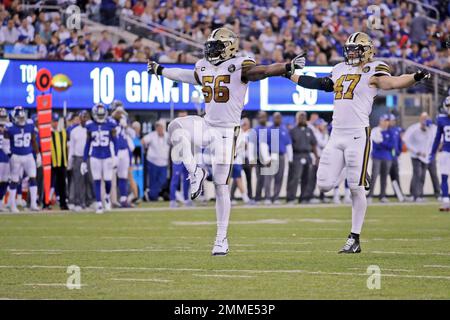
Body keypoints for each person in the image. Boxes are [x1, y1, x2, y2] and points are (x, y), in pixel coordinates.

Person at [147, 27, 305, 255]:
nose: (211, 51)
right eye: (210, 46)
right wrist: (161, 70)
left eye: (216, 46)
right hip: (207, 124)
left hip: (227, 132)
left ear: (229, 47)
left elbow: (262, 71)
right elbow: (185, 76)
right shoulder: (203, 66)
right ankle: (195, 172)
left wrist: (286, 67)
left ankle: (221, 239)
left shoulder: (240, 65)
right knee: (175, 127)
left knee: (221, 186)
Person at [289, 32, 430, 253]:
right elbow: (319, 83)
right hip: (337, 133)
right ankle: (363, 173)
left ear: (367, 51)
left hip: (357, 134)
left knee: (355, 187)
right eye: (349, 49)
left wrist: (414, 77)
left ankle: (354, 237)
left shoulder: (374, 69)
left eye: (356, 49)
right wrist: (291, 75)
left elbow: (391, 82)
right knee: (324, 184)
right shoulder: (339, 69)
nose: (351, 52)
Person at [81, 104, 117, 214]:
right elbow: (87, 144)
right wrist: (84, 160)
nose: (101, 117)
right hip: (95, 156)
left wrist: (115, 156)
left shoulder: (111, 124)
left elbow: (115, 142)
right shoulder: (90, 126)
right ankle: (99, 204)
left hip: (107, 156)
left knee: (108, 181)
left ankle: (106, 196)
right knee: (96, 180)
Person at [5, 106, 41, 212]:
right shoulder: (9, 127)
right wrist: (10, 154)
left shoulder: (29, 124)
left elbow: (33, 140)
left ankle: (33, 204)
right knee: (15, 180)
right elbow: (6, 145)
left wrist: (38, 154)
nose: (21, 120)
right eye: (19, 118)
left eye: (22, 118)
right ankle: (12, 205)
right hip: (16, 155)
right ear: (14, 117)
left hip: (28, 155)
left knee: (33, 177)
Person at [403, 112, 437, 202]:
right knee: (417, 174)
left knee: (422, 176)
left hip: (426, 156)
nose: (424, 120)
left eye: (426, 118)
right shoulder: (414, 128)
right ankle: (413, 195)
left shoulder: (431, 129)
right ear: (420, 119)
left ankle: (420, 195)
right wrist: (416, 151)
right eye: (423, 118)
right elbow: (405, 140)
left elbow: (432, 141)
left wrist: (429, 152)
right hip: (416, 155)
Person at [286, 111, 318, 204]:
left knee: (307, 177)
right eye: (301, 117)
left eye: (304, 117)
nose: (302, 118)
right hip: (297, 155)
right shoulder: (293, 130)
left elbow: (314, 144)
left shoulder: (309, 130)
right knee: (295, 178)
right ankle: (291, 198)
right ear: (297, 118)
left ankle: (304, 197)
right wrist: (290, 158)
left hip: (307, 155)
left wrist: (316, 157)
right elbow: (289, 145)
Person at [68, 110, 94, 211]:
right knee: (78, 181)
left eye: (86, 117)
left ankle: (89, 202)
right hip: (78, 157)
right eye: (83, 117)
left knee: (90, 180)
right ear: (80, 118)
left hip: (89, 157)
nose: (84, 119)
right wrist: (70, 161)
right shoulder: (74, 131)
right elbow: (72, 148)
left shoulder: (92, 129)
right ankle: (78, 202)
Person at [110, 100, 133, 207]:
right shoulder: (109, 121)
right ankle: (110, 199)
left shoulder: (124, 120)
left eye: (121, 111)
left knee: (123, 175)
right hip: (114, 151)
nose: (120, 113)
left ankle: (123, 199)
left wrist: (126, 126)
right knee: (110, 176)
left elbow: (132, 135)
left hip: (124, 150)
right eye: (117, 111)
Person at [368, 114, 395, 203]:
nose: (386, 123)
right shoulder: (375, 131)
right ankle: (370, 195)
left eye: (387, 121)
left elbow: (391, 145)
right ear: (380, 121)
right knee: (374, 176)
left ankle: (382, 195)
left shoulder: (390, 131)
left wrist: (381, 143)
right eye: (385, 121)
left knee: (384, 177)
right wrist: (383, 144)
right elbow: (374, 144)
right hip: (377, 157)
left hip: (387, 157)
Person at [267, 112, 293, 204]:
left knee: (279, 178)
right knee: (269, 178)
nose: (277, 119)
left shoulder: (284, 130)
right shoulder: (269, 129)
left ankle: (276, 197)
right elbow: (264, 144)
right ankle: (268, 198)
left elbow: (288, 144)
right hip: (271, 155)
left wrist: (290, 158)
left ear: (281, 119)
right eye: (276, 118)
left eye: (279, 118)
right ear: (273, 119)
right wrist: (267, 157)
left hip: (281, 156)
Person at [141, 120, 170, 201]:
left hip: (163, 163)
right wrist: (145, 149)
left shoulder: (168, 136)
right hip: (152, 162)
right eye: (157, 126)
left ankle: (150, 194)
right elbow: (142, 141)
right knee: (152, 181)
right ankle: (153, 196)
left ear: (163, 127)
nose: (158, 128)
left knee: (162, 180)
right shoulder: (152, 135)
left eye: (160, 126)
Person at [430, 96, 450, 211]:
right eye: (449, 106)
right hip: (446, 152)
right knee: (444, 177)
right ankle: (446, 201)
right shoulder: (441, 119)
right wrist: (432, 153)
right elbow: (437, 138)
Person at [50, 113, 69, 210]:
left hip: (62, 162)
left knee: (62, 184)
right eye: (54, 121)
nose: (55, 123)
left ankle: (63, 203)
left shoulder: (63, 132)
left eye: (56, 121)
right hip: (51, 162)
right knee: (49, 183)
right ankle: (46, 202)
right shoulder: (48, 133)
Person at [388, 114, 405, 202]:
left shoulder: (397, 130)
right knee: (382, 177)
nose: (392, 122)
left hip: (394, 157)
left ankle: (399, 194)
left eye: (393, 120)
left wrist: (398, 152)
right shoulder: (386, 130)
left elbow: (400, 142)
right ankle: (381, 195)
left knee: (395, 176)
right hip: (386, 157)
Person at [0, 108, 10, 211]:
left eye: (3, 117)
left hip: (5, 157)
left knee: (5, 181)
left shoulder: (9, 128)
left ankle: (1, 201)